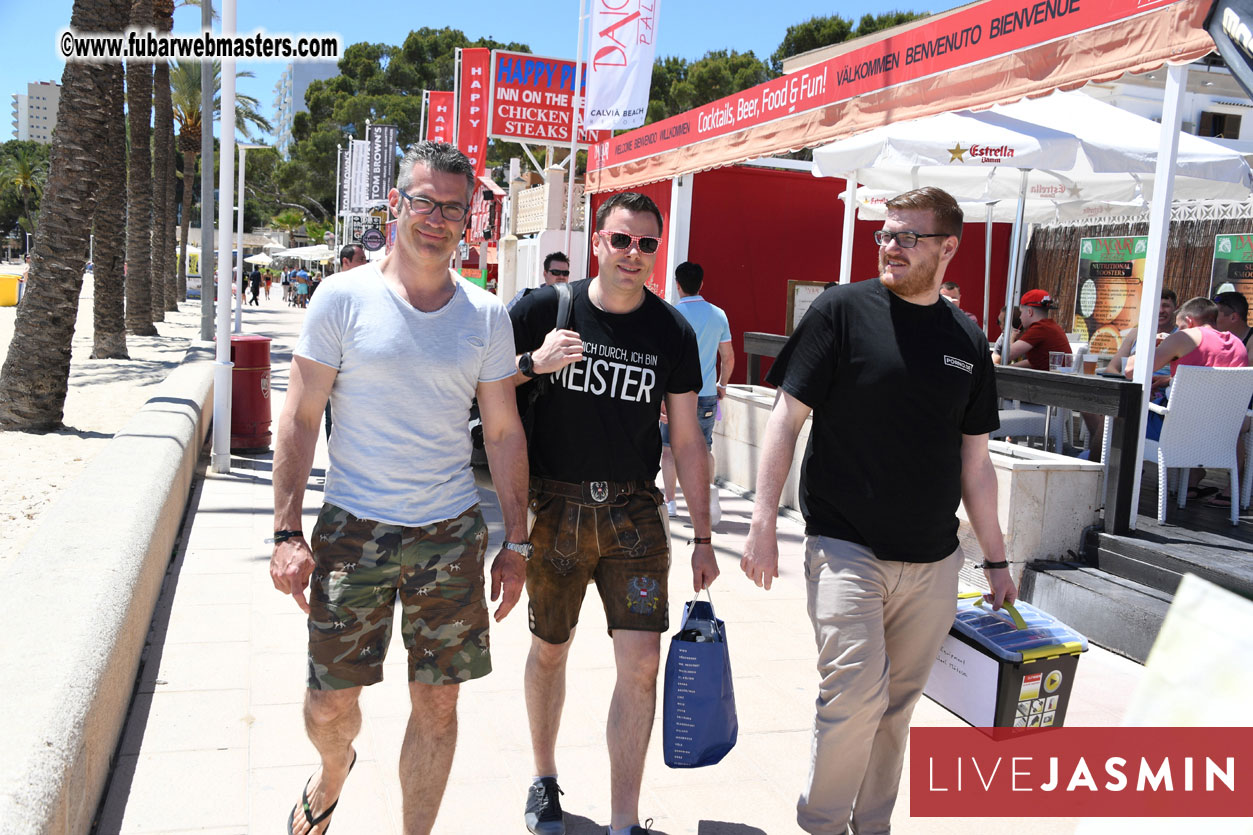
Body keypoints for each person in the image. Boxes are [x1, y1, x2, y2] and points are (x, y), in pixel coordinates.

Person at [270, 141, 530, 835]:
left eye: (452, 206)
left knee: (439, 705)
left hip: (448, 534)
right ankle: (332, 772)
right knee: (329, 705)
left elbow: (503, 433)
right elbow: (297, 416)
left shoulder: (484, 316)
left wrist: (517, 541)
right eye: (423, 200)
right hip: (353, 528)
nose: (436, 218)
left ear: (469, 216)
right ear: (395, 204)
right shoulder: (341, 297)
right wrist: (287, 530)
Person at [740, 186, 1016, 835]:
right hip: (844, 543)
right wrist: (759, 518)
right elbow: (785, 417)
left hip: (932, 559)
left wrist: (996, 557)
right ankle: (823, 824)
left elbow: (975, 463)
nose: (890, 246)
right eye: (884, 234)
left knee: (896, 707)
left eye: (906, 236)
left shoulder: (967, 341)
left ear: (948, 247)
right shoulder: (840, 311)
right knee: (854, 691)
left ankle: (873, 825)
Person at [509, 192, 718, 835]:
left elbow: (686, 438)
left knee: (641, 664)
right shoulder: (547, 307)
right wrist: (532, 363)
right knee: (550, 651)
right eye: (622, 240)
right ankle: (544, 780)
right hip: (556, 510)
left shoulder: (671, 331)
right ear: (597, 241)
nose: (633, 254)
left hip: (635, 515)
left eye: (647, 244)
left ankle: (625, 821)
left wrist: (705, 536)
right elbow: (481, 385)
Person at [1125, 296, 1249, 503]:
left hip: (1175, 431)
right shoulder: (1238, 344)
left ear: (1189, 321)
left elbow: (1130, 371)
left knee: (1115, 417)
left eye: (1180, 325)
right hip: (1221, 434)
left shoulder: (1186, 337)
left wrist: (1153, 345)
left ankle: (1107, 485)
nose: (1179, 329)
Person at [659, 261, 735, 526]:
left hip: (673, 395)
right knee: (704, 447)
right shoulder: (718, 315)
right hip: (705, 395)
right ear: (702, 284)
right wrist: (722, 385)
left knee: (668, 450)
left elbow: (662, 359)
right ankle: (707, 497)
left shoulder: (669, 315)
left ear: (677, 285)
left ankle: (670, 502)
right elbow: (728, 357)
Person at [322, 245, 372, 439]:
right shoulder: (332, 287)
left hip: (357, 364)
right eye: (360, 259)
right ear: (346, 262)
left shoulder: (369, 287)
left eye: (365, 259)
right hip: (332, 361)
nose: (365, 264)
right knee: (330, 415)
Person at [992, 289, 1070, 369]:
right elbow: (1032, 362)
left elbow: (1008, 355)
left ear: (1030, 312)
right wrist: (1011, 367)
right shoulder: (1051, 326)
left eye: (1021, 312)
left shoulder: (1040, 328)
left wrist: (1011, 338)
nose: (1020, 317)